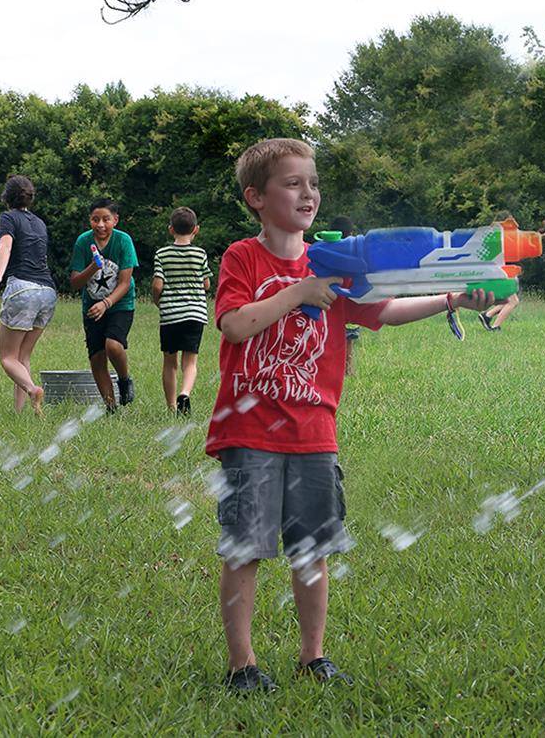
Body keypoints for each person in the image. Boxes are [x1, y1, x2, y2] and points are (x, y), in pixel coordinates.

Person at [208, 138, 495, 693]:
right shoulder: (243, 257)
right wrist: (299, 292)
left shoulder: (334, 261)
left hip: (315, 430)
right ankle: (242, 665)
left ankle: (312, 657)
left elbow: (383, 308)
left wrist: (452, 299)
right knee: (245, 549)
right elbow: (236, 325)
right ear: (256, 197)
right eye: (292, 183)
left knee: (312, 549)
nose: (308, 192)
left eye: (312, 182)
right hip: (249, 431)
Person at [68, 198, 138, 410]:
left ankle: (124, 380)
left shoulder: (123, 241)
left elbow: (125, 283)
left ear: (115, 220)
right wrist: (92, 267)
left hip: (119, 304)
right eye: (95, 219)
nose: (100, 224)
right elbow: (74, 283)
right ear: (90, 220)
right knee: (97, 358)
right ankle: (111, 408)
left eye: (106, 219)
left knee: (113, 345)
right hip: (91, 306)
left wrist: (106, 304)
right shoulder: (83, 242)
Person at [0, 175, 55, 414]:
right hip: (48, 292)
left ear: (6, 197)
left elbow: (6, 246)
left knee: (6, 357)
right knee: (22, 356)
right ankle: (21, 411)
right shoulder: (39, 223)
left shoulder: (7, 218)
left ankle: (32, 389)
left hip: (23, 289)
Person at [152, 207, 212, 415]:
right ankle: (185, 393)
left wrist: (157, 300)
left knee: (170, 362)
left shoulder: (162, 254)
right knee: (190, 361)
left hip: (170, 315)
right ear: (196, 229)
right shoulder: (200, 254)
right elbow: (206, 285)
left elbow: (158, 285)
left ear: (171, 229)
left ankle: (171, 406)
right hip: (195, 314)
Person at [328, 215, 362, 373]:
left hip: (332, 301)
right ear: (350, 232)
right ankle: (348, 369)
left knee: (334, 337)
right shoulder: (355, 248)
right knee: (348, 339)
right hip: (352, 299)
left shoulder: (327, 248)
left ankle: (339, 368)